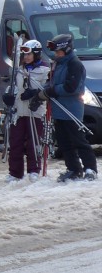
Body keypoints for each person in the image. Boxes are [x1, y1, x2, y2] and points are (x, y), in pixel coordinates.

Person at [42, 33, 98, 182]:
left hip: (71, 109)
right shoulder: (57, 63)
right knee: (64, 142)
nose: (56, 54)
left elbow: (71, 87)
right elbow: (51, 81)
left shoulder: (75, 64)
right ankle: (73, 169)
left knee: (78, 140)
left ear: (66, 49)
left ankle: (90, 168)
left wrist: (53, 91)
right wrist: (44, 90)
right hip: (58, 109)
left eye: (58, 51)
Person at [1, 39, 50, 181]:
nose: (26, 57)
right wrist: (8, 95)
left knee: (33, 142)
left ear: (36, 54)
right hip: (19, 111)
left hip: (34, 112)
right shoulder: (19, 70)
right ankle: (15, 172)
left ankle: (34, 170)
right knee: (15, 142)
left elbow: (46, 89)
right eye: (24, 55)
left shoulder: (44, 70)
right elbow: (14, 87)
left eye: (29, 54)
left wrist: (34, 93)